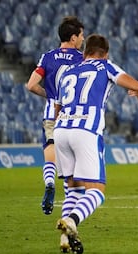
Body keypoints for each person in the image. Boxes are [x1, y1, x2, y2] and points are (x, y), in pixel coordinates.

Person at [54, 34, 138, 254]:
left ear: (84, 52)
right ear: (105, 53)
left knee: (74, 189)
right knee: (96, 192)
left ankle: (65, 236)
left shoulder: (68, 72)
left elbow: (57, 106)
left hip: (61, 129)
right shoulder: (105, 66)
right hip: (86, 130)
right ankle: (72, 219)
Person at [25, 16, 85, 215]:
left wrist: (49, 95)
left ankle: (49, 183)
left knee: (50, 155)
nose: (83, 39)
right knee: (72, 166)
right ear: (74, 37)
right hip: (72, 116)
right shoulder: (82, 58)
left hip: (51, 112)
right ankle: (70, 208)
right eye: (81, 35)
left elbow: (31, 84)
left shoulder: (48, 56)